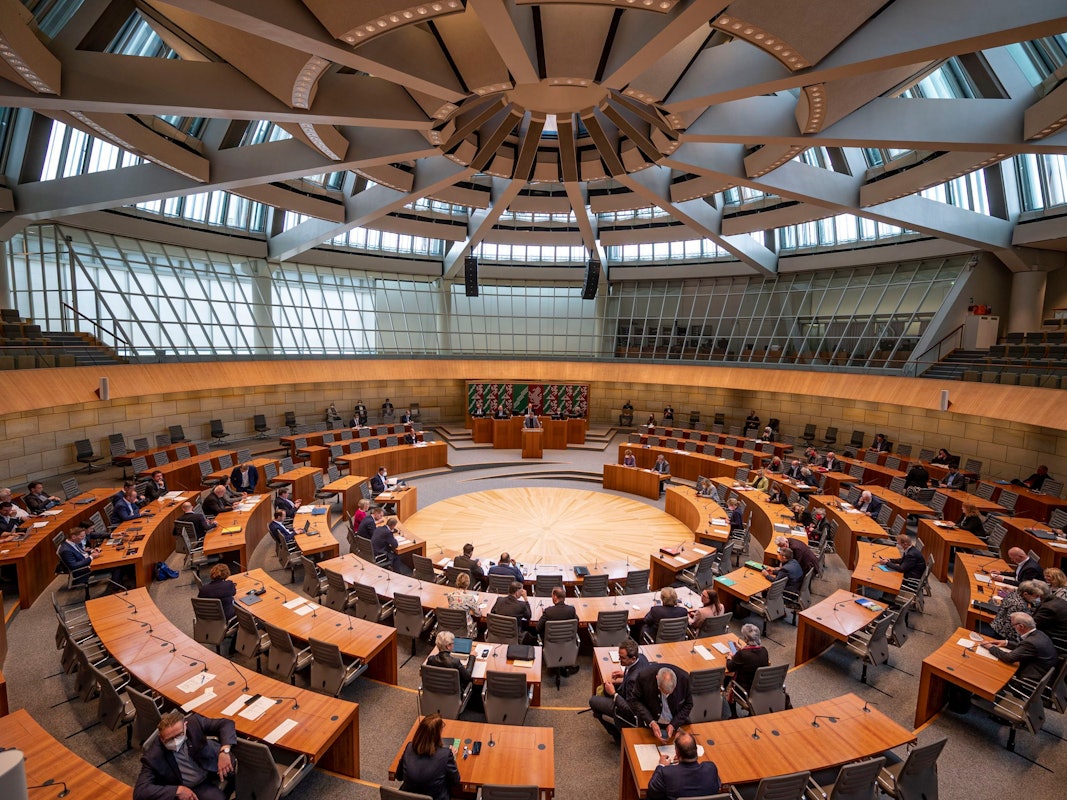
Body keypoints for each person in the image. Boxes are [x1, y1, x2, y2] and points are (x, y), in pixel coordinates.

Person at [134, 710, 236, 800]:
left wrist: (224, 751)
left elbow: (226, 723)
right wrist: (177, 790)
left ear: (185, 725)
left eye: (179, 735)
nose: (175, 742)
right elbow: (140, 792)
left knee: (240, 773)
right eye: (169, 739)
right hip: (195, 784)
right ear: (161, 738)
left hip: (210, 760)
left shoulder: (194, 722)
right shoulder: (153, 756)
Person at [589, 638, 649, 741]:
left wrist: (614, 694)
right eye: (619, 656)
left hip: (627, 707)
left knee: (593, 701)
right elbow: (634, 671)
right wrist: (624, 674)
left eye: (622, 658)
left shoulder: (633, 680)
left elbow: (629, 709)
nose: (619, 660)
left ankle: (618, 735)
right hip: (627, 691)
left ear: (633, 659)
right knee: (603, 690)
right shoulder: (642, 658)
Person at [394, 713, 460, 800]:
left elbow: (399, 776)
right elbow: (455, 781)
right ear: (437, 735)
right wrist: (451, 756)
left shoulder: (409, 747)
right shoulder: (445, 755)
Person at [981, 612, 1058, 682]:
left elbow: (1009, 658)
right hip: (1045, 671)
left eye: (1013, 625)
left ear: (1021, 626)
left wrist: (990, 647)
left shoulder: (1031, 642)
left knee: (992, 669)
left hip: (1030, 677)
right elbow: (1025, 647)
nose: (1013, 628)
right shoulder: (1039, 633)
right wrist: (1006, 643)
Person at [647, 730, 720, 800]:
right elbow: (717, 787)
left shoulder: (666, 773)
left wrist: (661, 765)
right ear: (696, 750)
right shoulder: (711, 768)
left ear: (677, 753)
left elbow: (652, 792)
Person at [630, 664, 693, 742]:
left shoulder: (684, 679)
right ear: (657, 679)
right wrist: (651, 722)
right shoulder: (644, 677)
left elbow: (688, 704)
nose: (666, 695)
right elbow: (635, 700)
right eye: (664, 692)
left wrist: (673, 725)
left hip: (676, 723)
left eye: (669, 693)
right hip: (649, 723)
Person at [725, 623, 770, 718]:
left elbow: (730, 667)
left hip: (745, 689)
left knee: (727, 682)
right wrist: (741, 649)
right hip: (760, 687)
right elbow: (751, 657)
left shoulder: (742, 654)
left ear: (745, 639)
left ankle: (733, 715)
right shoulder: (764, 651)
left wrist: (729, 657)